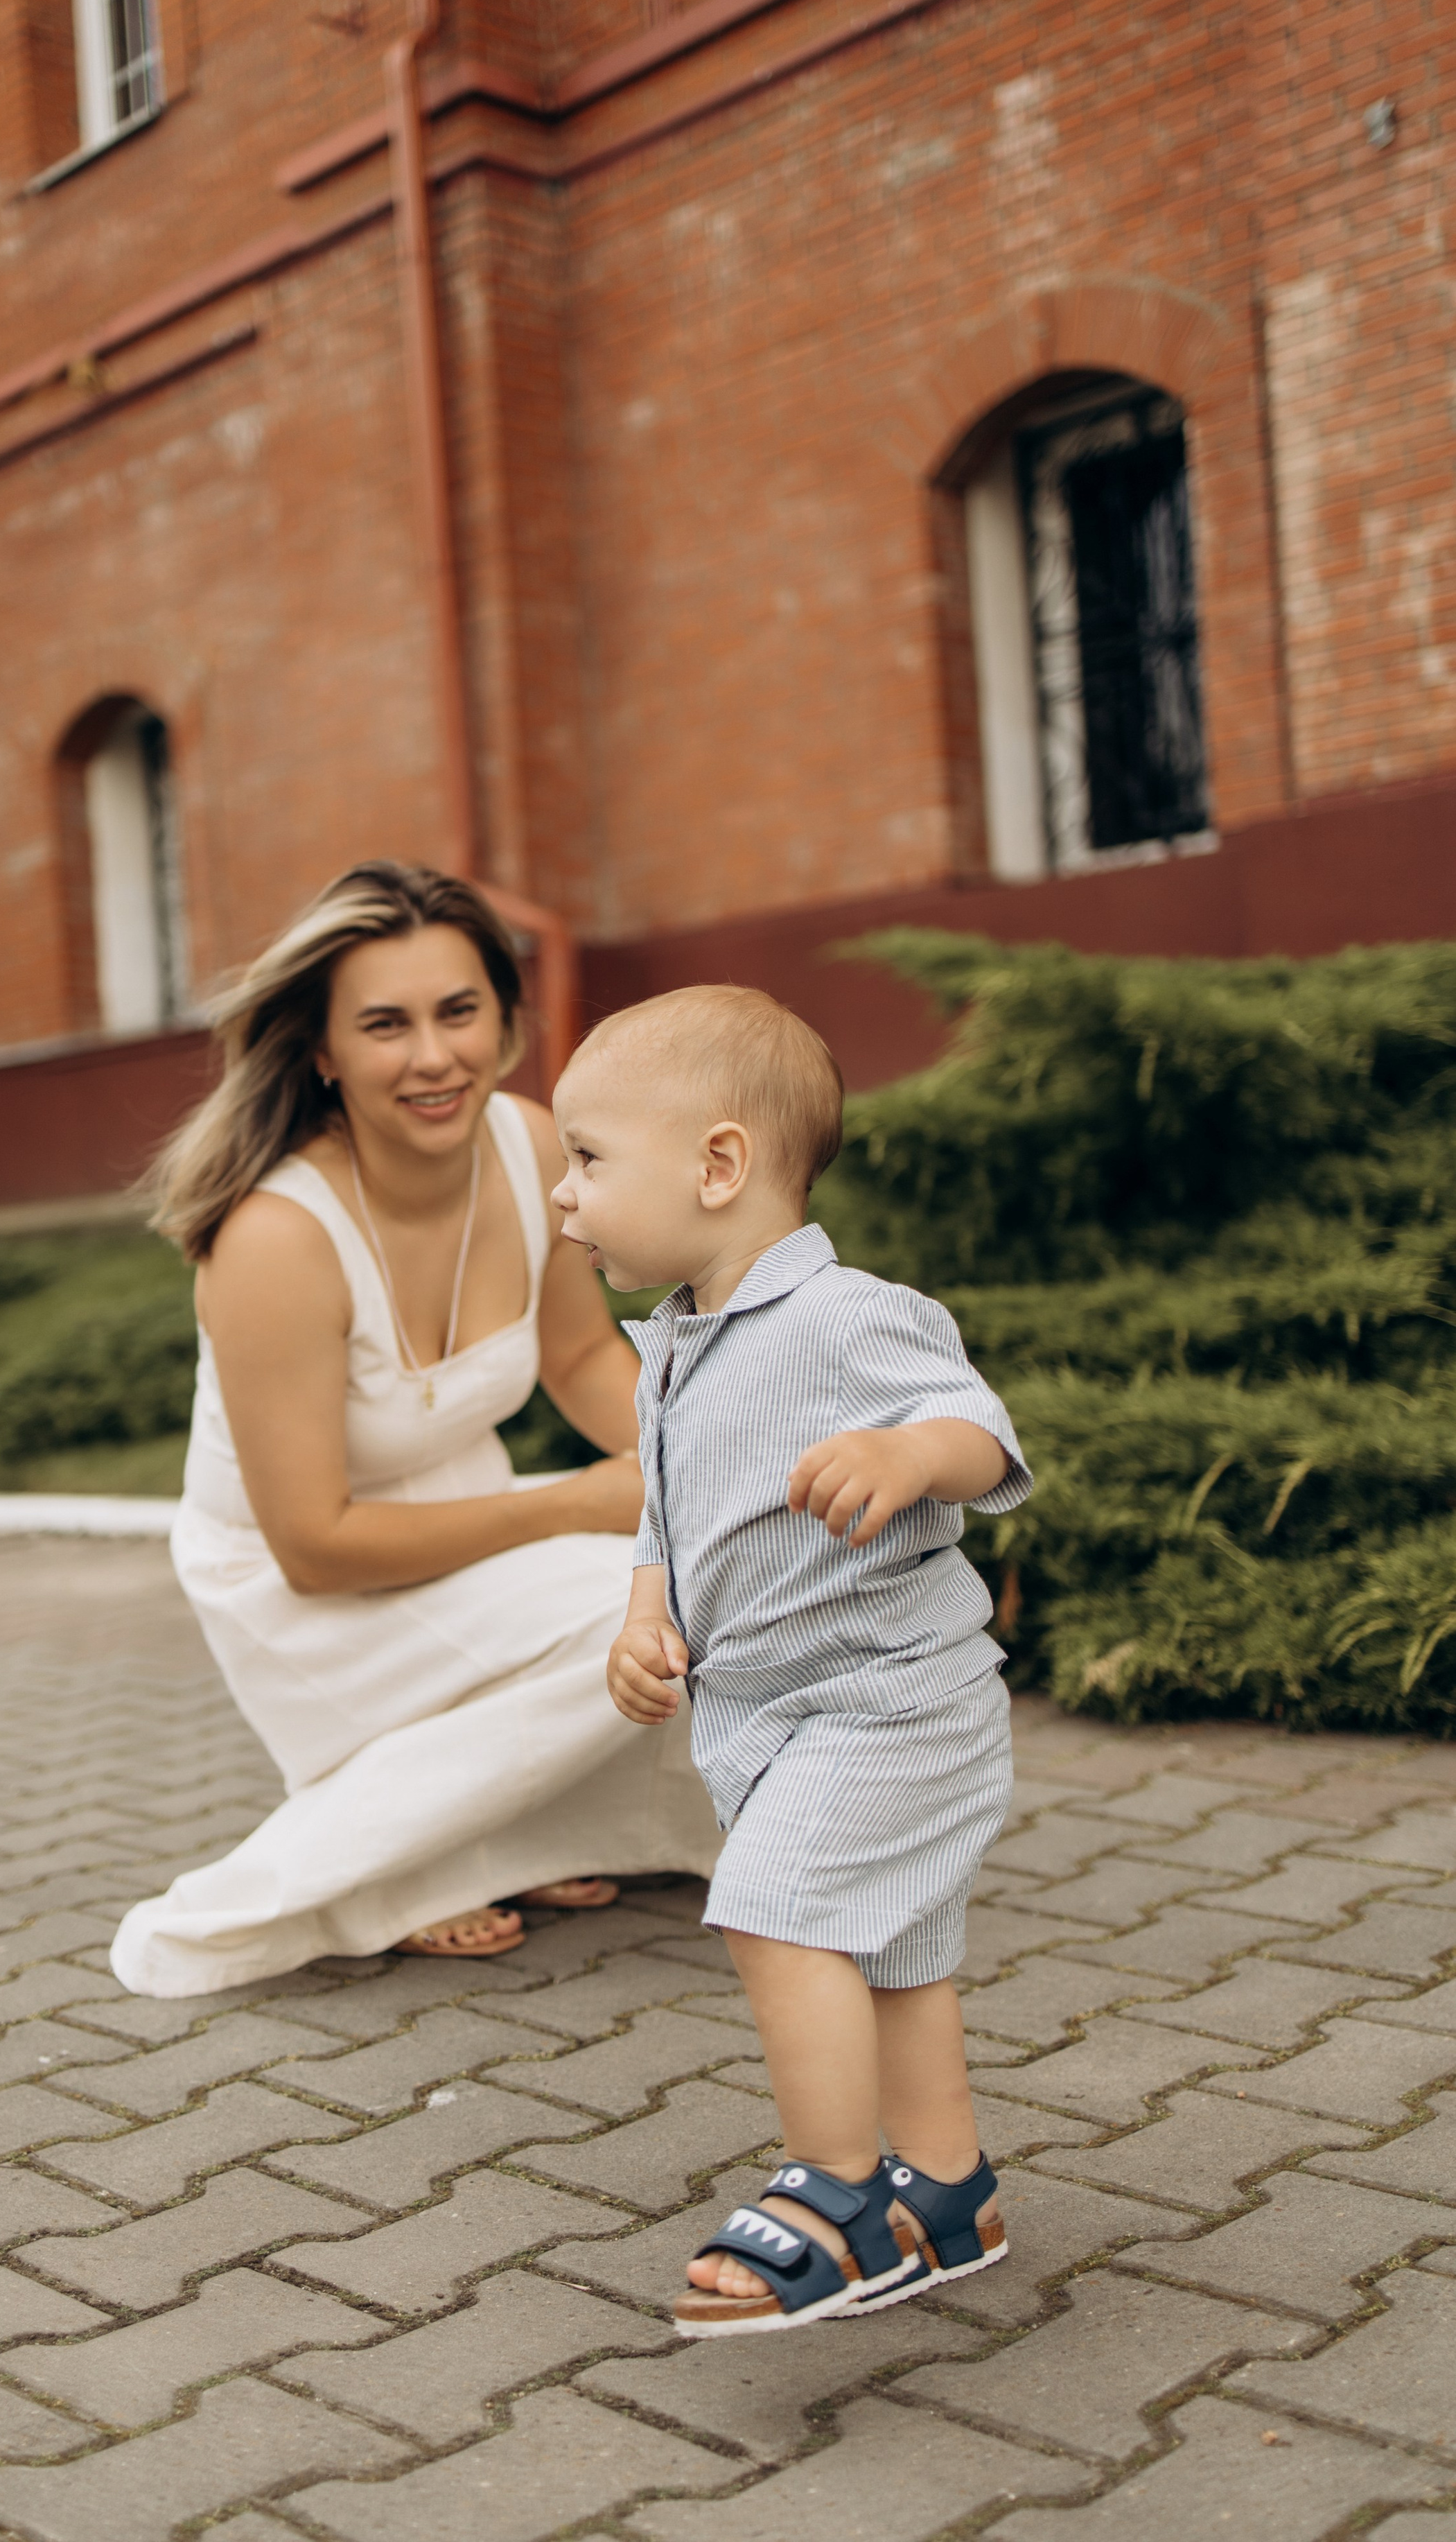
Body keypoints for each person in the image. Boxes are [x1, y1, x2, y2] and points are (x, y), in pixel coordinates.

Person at [110, 864, 719, 1996]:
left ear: (505, 1020)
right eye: (385, 1025)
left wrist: (696, 1455)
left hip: (463, 1516)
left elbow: (580, 1354)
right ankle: (385, 1876)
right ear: (324, 1051)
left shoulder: (532, 1145)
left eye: (459, 1011)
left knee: (700, 1570)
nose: (433, 1057)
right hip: (304, 1588)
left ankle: (518, 1839)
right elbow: (314, 1543)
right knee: (631, 1594)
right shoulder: (275, 1239)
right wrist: (589, 1503)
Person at [550, 983, 1032, 2336]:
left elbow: (975, 1434)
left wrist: (902, 1454)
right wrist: (644, 1615)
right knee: (895, 1960)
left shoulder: (841, 1319)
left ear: (718, 1164)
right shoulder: (673, 1354)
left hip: (890, 1705)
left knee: (776, 1911)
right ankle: (947, 2190)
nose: (562, 1197)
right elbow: (666, 1512)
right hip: (770, 1716)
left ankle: (834, 2194)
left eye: (587, 1159)